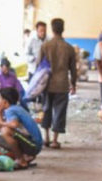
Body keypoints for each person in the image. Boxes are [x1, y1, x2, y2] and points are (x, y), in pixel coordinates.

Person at [38, 18, 77, 149]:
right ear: (63, 29)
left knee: (46, 109)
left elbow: (39, 66)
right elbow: (73, 68)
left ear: (52, 29)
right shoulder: (69, 48)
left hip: (47, 84)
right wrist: (74, 84)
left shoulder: (45, 46)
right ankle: (55, 140)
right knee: (59, 111)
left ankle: (46, 137)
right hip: (62, 84)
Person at [0, 87, 43, 170]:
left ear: (5, 101)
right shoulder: (15, 108)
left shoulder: (11, 110)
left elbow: (14, 124)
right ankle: (25, 156)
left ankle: (21, 160)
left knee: (5, 131)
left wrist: (1, 123)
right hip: (33, 144)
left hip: (34, 145)